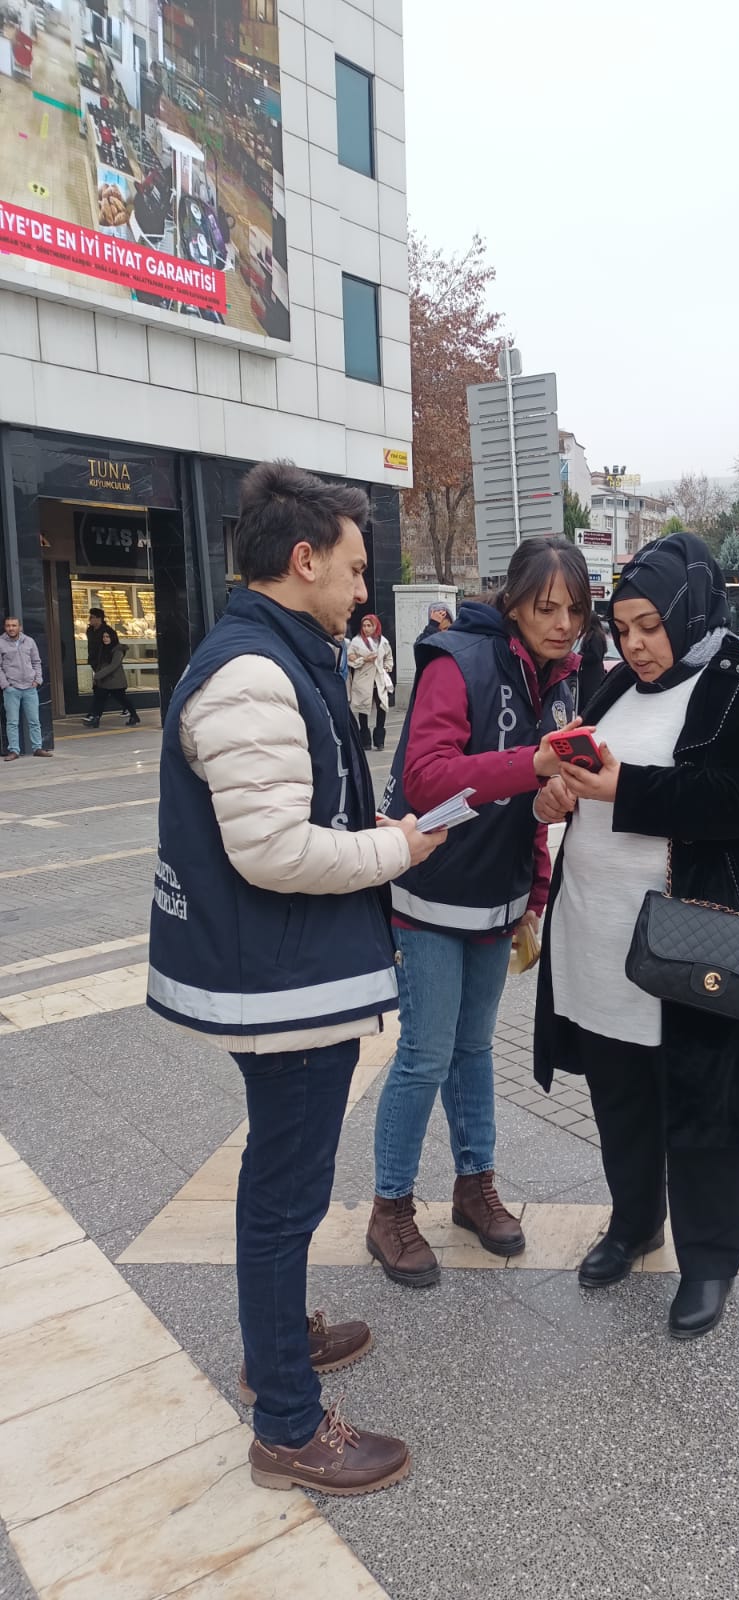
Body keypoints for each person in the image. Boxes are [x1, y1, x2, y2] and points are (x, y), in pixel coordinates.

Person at [146, 460, 446, 1495]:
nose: (365, 590)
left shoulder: (273, 655)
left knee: (281, 1185)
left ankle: (278, 1343)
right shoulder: (254, 672)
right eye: (357, 567)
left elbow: (288, 816)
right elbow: (271, 849)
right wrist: (395, 849)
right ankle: (286, 1419)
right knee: (285, 1195)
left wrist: (361, 833)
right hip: (283, 984)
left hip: (288, 972)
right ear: (304, 558)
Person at [532, 533, 739, 1341]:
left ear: (690, 609)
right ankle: (634, 1221)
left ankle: (709, 1260)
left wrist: (625, 787)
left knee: (704, 1106)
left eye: (649, 624)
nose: (635, 644)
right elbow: (584, 781)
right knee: (620, 1094)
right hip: (597, 935)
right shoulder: (611, 685)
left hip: (693, 942)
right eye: (622, 628)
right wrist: (558, 799)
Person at [369, 537, 591, 1285]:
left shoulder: (564, 679)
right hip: (431, 892)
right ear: (514, 602)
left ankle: (474, 1185)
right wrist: (529, 767)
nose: (563, 624)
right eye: (546, 607)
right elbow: (427, 777)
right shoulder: (454, 659)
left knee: (472, 1052)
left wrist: (540, 849)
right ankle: (390, 1208)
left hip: (497, 901)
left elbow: (527, 801)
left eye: (575, 611)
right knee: (425, 1055)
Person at [0, 616, 51, 760]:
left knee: (34, 720)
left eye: (14, 625)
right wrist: (5, 685)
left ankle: (37, 748)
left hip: (30, 688)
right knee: (12, 722)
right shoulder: (1, 643)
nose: (11, 628)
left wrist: (38, 680)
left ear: (20, 627)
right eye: (8, 625)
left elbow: (37, 662)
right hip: (12, 688)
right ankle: (14, 751)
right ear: (5, 627)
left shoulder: (29, 641)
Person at [347, 613, 395, 751]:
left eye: (369, 625)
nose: (366, 628)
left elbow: (388, 657)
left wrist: (387, 667)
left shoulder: (383, 641)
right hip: (363, 679)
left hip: (379, 679)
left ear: (376, 626)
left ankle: (379, 740)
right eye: (364, 625)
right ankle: (365, 740)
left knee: (382, 707)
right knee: (363, 709)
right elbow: (350, 660)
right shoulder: (356, 642)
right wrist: (363, 660)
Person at [83, 625, 141, 728]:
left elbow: (113, 665)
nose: (105, 639)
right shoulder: (103, 649)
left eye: (107, 637)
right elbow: (100, 664)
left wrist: (98, 675)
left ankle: (134, 714)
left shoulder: (117, 650)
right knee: (100, 699)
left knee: (122, 699)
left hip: (115, 681)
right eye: (104, 637)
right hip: (104, 681)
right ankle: (96, 719)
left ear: (112, 637)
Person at [576, 611, 609, 711]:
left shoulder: (595, 636)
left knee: (589, 700)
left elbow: (596, 656)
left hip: (592, 675)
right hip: (588, 674)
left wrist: (580, 656)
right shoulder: (592, 634)